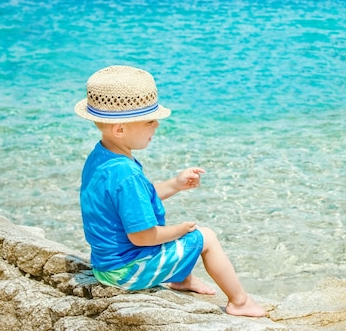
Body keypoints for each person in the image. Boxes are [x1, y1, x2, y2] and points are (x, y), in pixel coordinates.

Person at [74, 65, 266, 317]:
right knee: (204, 237)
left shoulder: (102, 157)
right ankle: (240, 302)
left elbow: (132, 201)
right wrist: (181, 230)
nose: (156, 127)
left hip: (105, 264)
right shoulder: (126, 172)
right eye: (150, 121)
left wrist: (175, 184)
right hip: (126, 271)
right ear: (120, 129)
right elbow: (142, 237)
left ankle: (182, 280)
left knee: (171, 233)